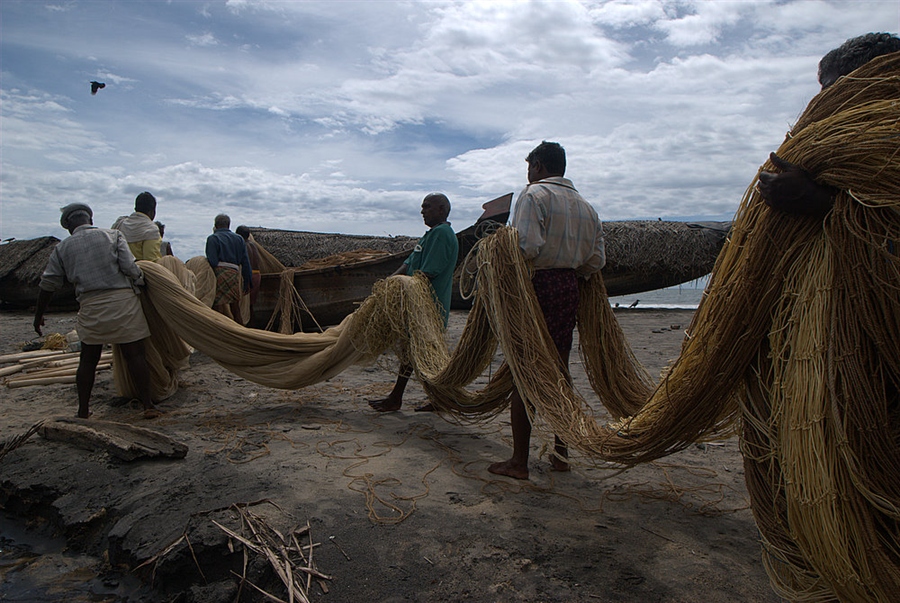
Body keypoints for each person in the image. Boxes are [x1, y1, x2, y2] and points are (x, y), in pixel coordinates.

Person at [488, 141, 605, 480]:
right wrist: (571, 270)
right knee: (559, 369)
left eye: (529, 166)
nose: (528, 172)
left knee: (526, 370)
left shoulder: (534, 195)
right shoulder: (586, 206)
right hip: (568, 288)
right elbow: (596, 260)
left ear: (537, 165)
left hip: (536, 287)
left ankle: (519, 462)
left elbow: (526, 245)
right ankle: (561, 455)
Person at [33, 203, 161, 419]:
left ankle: (83, 410)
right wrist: (143, 281)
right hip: (122, 303)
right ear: (90, 220)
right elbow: (130, 268)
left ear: (68, 227)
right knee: (135, 355)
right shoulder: (113, 236)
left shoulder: (62, 248)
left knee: (88, 360)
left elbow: (48, 284)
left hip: (91, 305)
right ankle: (148, 405)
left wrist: (38, 316)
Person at [758, 33, 900, 215]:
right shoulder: (837, 147)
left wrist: (818, 201)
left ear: (872, 81)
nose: (821, 101)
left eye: (832, 89)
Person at [369, 193, 459, 412]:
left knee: (423, 355)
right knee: (414, 353)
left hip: (429, 307)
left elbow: (425, 274)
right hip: (418, 306)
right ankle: (422, 399)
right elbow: (408, 264)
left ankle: (407, 398)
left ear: (441, 209)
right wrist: (386, 286)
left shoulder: (442, 235)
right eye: (422, 207)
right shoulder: (430, 235)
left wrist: (400, 289)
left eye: (427, 207)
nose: (422, 211)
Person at [206, 214, 252, 323]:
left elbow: (212, 261)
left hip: (219, 274)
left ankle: (219, 330)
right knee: (235, 308)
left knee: (216, 306)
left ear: (216, 225)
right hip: (234, 275)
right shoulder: (239, 239)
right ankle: (240, 332)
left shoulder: (213, 238)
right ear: (228, 225)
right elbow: (245, 262)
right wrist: (247, 281)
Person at [112, 191, 161, 261]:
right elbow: (151, 260)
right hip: (139, 270)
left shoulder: (119, 224)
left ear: (135, 209)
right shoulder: (152, 230)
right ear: (152, 211)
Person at [235, 225, 262, 323]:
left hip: (248, 275)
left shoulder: (242, 245)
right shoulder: (253, 245)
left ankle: (245, 325)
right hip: (257, 275)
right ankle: (253, 325)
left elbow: (243, 262)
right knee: (250, 305)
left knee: (242, 306)